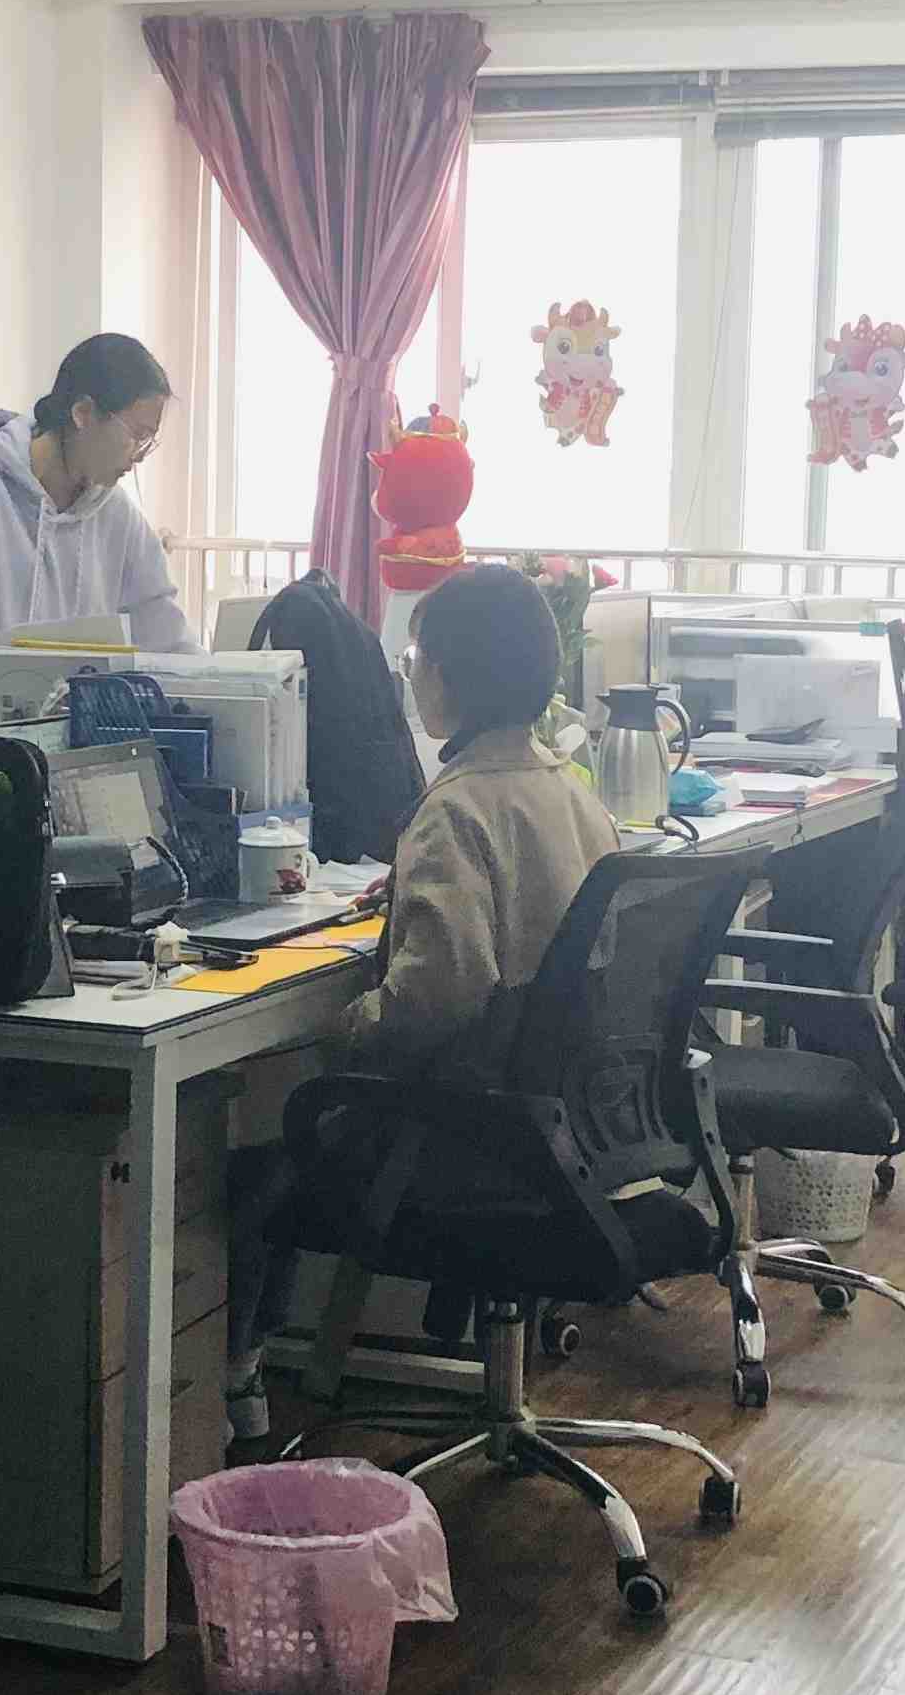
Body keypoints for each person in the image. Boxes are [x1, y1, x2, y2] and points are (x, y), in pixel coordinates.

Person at [225, 563, 620, 1404]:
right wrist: (410, 888)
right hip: (565, 1122)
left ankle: (234, 1389)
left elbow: (439, 995)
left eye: (415, 660)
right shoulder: (573, 793)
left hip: (460, 1138)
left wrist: (342, 1027)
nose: (410, 676)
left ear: (448, 677)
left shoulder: (455, 809)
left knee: (249, 1161)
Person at [0, 332, 191, 727]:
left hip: (58, 749)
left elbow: (166, 635)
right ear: (83, 413)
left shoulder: (117, 516)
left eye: (149, 442)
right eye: (137, 436)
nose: (139, 457)